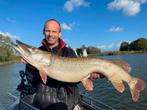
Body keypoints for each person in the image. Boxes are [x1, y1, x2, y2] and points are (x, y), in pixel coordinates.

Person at [23, 19, 82, 110]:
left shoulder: (69, 52)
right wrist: (30, 66)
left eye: (54, 31)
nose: (50, 34)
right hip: (46, 106)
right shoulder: (37, 52)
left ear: (59, 33)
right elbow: (31, 82)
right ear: (43, 32)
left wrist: (87, 76)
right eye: (48, 31)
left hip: (69, 104)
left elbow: (76, 80)